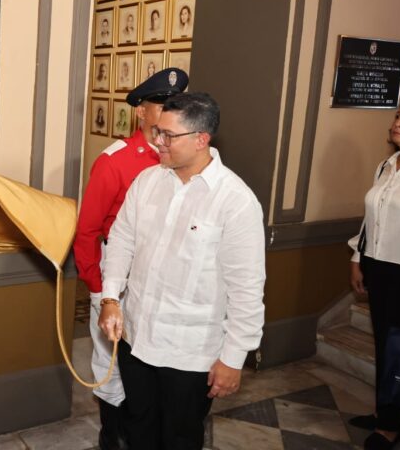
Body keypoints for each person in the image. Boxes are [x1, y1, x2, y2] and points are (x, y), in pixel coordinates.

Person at [98, 92, 266, 450]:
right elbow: (121, 240)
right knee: (138, 426)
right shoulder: (147, 182)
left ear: (201, 139)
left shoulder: (235, 201)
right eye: (157, 131)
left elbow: (246, 289)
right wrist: (111, 297)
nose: (157, 141)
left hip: (188, 353)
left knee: (179, 437)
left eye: (168, 136)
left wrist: (233, 358)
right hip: (136, 338)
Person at [74, 68, 189, 450]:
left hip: (161, 278)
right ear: (141, 112)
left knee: (150, 360)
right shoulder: (116, 161)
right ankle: (113, 436)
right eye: (162, 105)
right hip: (116, 276)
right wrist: (96, 287)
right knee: (111, 369)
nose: (171, 111)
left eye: (176, 103)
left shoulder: (184, 158)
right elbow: (88, 229)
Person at [348, 95, 400, 450]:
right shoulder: (387, 165)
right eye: (399, 115)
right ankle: (388, 409)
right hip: (379, 266)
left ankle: (391, 424)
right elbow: (371, 218)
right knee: (385, 343)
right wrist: (358, 256)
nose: (399, 122)